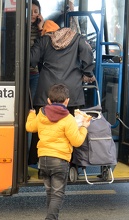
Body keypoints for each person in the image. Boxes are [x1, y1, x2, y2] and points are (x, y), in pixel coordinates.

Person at [25, 83, 91, 220]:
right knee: (57, 195)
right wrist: (84, 128)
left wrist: (31, 114)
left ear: (48, 100)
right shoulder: (68, 119)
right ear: (67, 101)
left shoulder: (41, 114)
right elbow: (76, 142)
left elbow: (29, 127)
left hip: (43, 160)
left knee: (50, 193)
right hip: (59, 160)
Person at [28, 20, 95, 165]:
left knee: (43, 128)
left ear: (47, 31)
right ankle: (71, 163)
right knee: (72, 128)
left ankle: (39, 161)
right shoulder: (77, 38)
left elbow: (31, 59)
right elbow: (88, 54)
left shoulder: (44, 40)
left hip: (48, 92)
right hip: (71, 93)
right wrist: (88, 72)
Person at [29, 0, 44, 100]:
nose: (33, 15)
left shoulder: (42, 28)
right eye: (30, 12)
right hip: (20, 73)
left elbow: (44, 46)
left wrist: (40, 28)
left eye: (36, 11)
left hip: (35, 72)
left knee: (32, 104)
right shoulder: (19, 26)